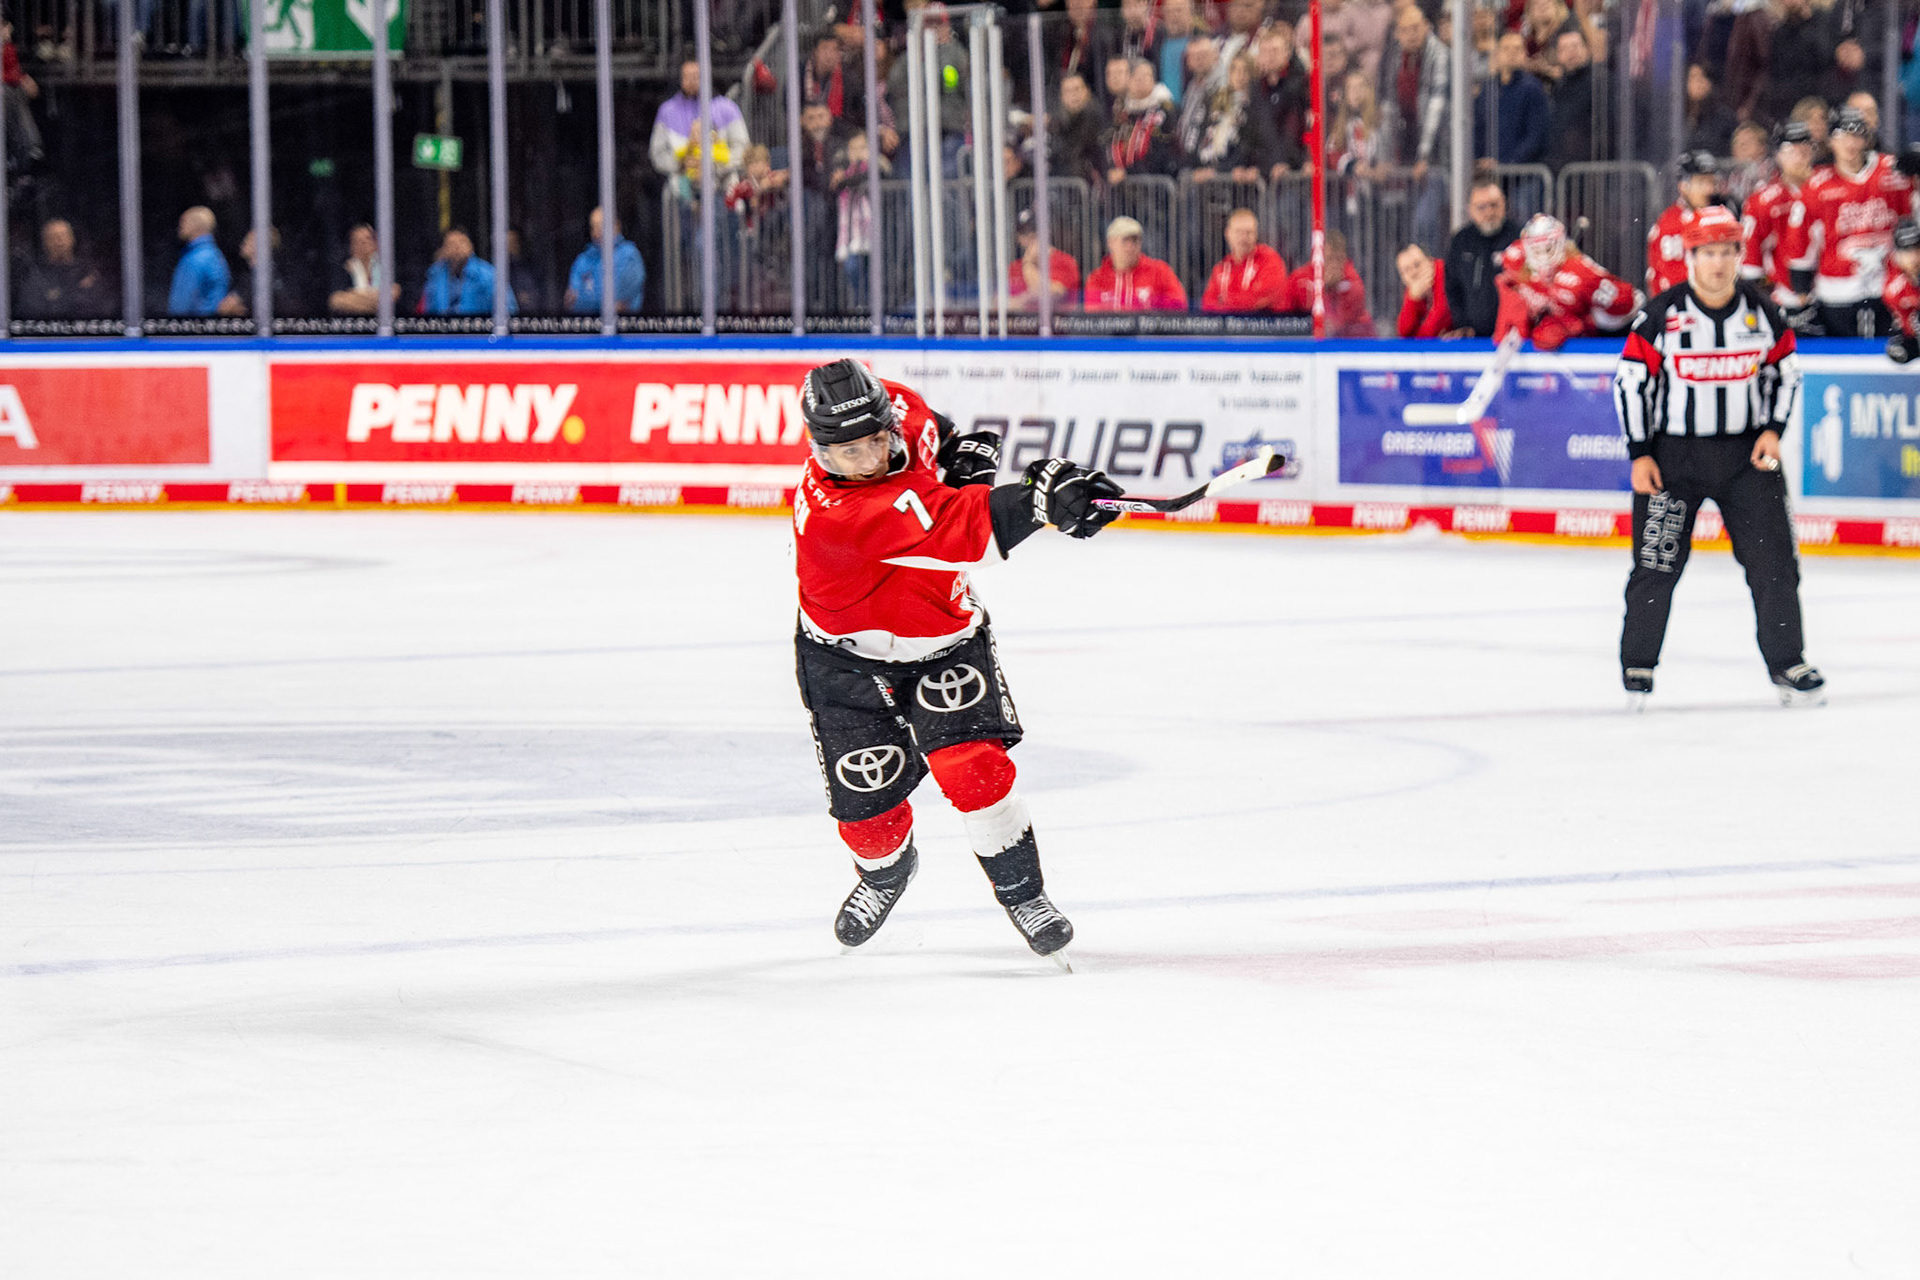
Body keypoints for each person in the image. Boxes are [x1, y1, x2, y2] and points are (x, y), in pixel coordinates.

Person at [791, 359, 1121, 960]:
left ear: (888, 421)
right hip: (843, 664)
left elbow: (937, 430)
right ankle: (885, 871)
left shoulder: (898, 408)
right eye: (846, 454)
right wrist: (1040, 502)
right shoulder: (839, 516)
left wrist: (960, 453)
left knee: (973, 768)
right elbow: (968, 528)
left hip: (944, 638)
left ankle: (1024, 893)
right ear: (817, 450)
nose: (865, 461)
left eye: (875, 442)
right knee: (869, 817)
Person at [1612, 205, 1823, 708]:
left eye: (1727, 252)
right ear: (1690, 257)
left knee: (1774, 563)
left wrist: (1774, 430)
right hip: (1672, 460)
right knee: (1656, 563)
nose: (1718, 264)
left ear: (1739, 255)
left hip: (1747, 459)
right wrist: (1640, 453)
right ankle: (1638, 664)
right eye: (1708, 253)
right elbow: (1630, 384)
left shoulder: (1764, 310)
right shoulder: (1661, 314)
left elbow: (1787, 373)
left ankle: (1787, 661)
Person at [1797, 107, 1914, 337]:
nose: (1850, 143)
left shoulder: (1893, 171)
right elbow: (1802, 239)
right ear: (1831, 141)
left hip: (1890, 289)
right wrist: (1800, 287)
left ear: (1866, 139)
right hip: (1837, 293)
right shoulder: (1816, 185)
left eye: (1856, 135)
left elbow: (1912, 219)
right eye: (1842, 136)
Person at [1494, 212, 1639, 349]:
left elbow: (1625, 304)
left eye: (1549, 248)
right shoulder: (1516, 261)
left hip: (1608, 336)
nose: (1543, 256)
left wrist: (1576, 324)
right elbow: (1509, 288)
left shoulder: (1579, 272)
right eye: (1537, 250)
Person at [1739, 121, 1815, 313]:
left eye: (1804, 150)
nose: (1799, 157)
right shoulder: (1763, 201)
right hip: (1783, 298)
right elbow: (1751, 259)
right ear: (1778, 156)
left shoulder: (1827, 191)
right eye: (1791, 151)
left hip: (1829, 294)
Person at [650, 60, 752, 183]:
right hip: (681, 185)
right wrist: (680, 164)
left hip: (723, 183)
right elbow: (657, 155)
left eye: (696, 76)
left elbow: (744, 149)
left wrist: (714, 166)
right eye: (687, 77)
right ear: (680, 79)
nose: (692, 81)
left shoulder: (727, 108)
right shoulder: (667, 111)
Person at [1444, 174, 1520, 337]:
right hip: (1473, 337)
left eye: (1494, 205)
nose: (1489, 212)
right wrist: (1462, 324)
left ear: (1504, 204)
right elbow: (1452, 287)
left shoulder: (1518, 237)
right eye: (1482, 207)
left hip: (1513, 337)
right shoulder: (1461, 240)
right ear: (1470, 209)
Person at [1647, 151, 1726, 296]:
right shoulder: (1671, 224)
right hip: (1682, 308)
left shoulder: (1722, 214)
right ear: (1683, 186)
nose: (1710, 189)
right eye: (1701, 182)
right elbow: (1675, 281)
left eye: (1712, 182)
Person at [1474, 31, 1549, 167]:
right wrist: (1479, 159)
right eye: (1506, 49)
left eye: (1517, 49)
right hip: (1490, 173)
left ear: (1524, 54)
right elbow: (1479, 129)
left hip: (1523, 174)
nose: (1511, 53)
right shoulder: (1488, 89)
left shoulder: (1533, 88)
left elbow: (1535, 135)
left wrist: (1507, 163)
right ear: (1497, 55)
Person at [1249, 22, 1311, 182]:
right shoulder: (1255, 88)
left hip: (1291, 171)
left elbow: (1294, 129)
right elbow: (1252, 130)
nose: (1269, 56)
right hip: (1264, 170)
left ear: (1287, 54)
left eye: (1275, 51)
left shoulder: (1298, 85)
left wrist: (1284, 162)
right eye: (1265, 51)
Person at [1084, 215, 1187, 311]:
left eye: (1134, 240)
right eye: (1125, 240)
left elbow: (1180, 305)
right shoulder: (1097, 278)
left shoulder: (1160, 271)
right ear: (1111, 243)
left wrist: (1149, 304)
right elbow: (1092, 316)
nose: (1130, 246)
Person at [14, 218, 111, 319]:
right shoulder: (36, 274)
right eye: (53, 237)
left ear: (72, 239)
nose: (59, 241)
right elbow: (29, 309)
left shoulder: (88, 272)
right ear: (45, 243)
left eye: (63, 236)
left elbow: (103, 308)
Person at [1285, 230, 1375, 336]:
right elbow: (1285, 318)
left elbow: (1334, 327)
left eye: (1339, 259)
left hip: (1351, 344)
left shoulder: (1352, 283)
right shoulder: (1300, 279)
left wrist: (1327, 289)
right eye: (1329, 259)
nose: (1334, 264)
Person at [1201, 207, 1288, 312]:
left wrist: (1224, 302)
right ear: (1228, 234)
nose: (1243, 237)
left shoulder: (1269, 260)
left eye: (1248, 232)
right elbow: (1207, 303)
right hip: (1228, 326)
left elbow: (1262, 300)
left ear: (1256, 234)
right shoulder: (1221, 268)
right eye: (1238, 232)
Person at [564, 207, 646, 314]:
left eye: (602, 226)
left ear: (616, 226)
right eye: (593, 227)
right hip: (587, 327)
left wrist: (586, 297)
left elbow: (619, 300)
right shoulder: (583, 259)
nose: (597, 232)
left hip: (622, 327)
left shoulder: (629, 255)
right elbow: (572, 302)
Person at [419, 227, 511, 316]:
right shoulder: (434, 275)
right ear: (443, 250)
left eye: (461, 243)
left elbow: (508, 310)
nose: (457, 248)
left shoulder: (489, 275)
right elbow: (428, 312)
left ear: (470, 247)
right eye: (451, 244)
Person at [1543, 28, 1596, 171]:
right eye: (1565, 48)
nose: (1571, 52)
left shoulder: (1600, 82)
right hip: (1563, 168)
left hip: (1591, 167)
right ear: (1558, 55)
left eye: (1575, 46)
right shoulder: (1559, 86)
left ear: (1587, 49)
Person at [1008, 208, 1081, 310]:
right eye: (1023, 235)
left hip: (1059, 324)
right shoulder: (1014, 267)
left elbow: (1053, 296)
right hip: (1022, 324)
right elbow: (999, 302)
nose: (1030, 240)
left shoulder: (1066, 262)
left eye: (1034, 235)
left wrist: (1028, 265)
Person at [1048, 72, 1110, 187]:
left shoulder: (1099, 119)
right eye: (1068, 91)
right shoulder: (1055, 125)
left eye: (1077, 89)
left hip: (1093, 186)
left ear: (1087, 91)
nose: (1074, 95)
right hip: (1065, 186)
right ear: (1061, 97)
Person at [167, 206, 229, 317]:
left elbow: (182, 303)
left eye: (184, 222)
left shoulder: (196, 259)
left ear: (196, 225)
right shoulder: (214, 254)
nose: (180, 227)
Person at [216, 227, 288, 318]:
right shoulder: (259, 274)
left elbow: (224, 308)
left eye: (249, 239)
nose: (244, 242)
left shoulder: (258, 278)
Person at [328, 223, 396, 316]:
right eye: (357, 241)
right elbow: (336, 300)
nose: (363, 244)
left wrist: (354, 296)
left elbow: (394, 293)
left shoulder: (387, 266)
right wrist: (377, 300)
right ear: (351, 246)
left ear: (375, 243)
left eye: (367, 239)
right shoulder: (344, 269)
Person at [1395, 243, 1452, 336]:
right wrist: (1413, 299)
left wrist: (1416, 341)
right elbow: (1404, 332)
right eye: (1406, 270)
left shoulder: (1444, 273)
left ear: (1430, 261)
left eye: (1417, 265)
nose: (1413, 272)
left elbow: (1440, 317)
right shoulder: (1413, 289)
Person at [1883, 221, 1920, 363]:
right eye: (1907, 251)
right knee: (1898, 349)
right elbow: (1909, 328)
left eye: (1917, 249)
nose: (1914, 257)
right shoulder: (1894, 288)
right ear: (1897, 254)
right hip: (1915, 334)